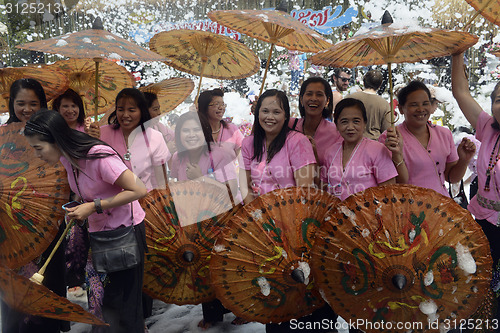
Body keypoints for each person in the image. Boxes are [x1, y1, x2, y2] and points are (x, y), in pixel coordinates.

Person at [24, 109, 148, 333]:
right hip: (100, 235)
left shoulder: (97, 156)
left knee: (124, 307)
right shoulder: (67, 158)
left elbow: (139, 189)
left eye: (38, 148)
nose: (37, 155)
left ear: (55, 138)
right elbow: (86, 191)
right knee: (104, 302)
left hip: (124, 234)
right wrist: (79, 205)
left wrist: (94, 206)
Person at [2, 78, 70, 333]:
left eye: (34, 103)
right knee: (13, 291)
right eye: (21, 103)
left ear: (43, 104)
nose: (27, 109)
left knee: (47, 282)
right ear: (12, 104)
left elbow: (64, 172)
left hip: (46, 219)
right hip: (11, 226)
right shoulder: (2, 136)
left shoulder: (52, 132)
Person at [169, 111, 239, 329]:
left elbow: (233, 189)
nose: (191, 135)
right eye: (185, 130)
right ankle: (212, 314)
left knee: (226, 266)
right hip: (195, 220)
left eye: (196, 130)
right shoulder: (176, 158)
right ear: (178, 135)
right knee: (202, 267)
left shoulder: (221, 154)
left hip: (224, 217)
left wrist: (202, 178)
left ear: (205, 131)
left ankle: (240, 309)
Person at [452, 51, 500, 325]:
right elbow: (460, 92)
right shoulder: (488, 128)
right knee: (479, 290)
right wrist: (458, 52)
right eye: (499, 100)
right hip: (483, 223)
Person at [379, 80, 475, 197]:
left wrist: (464, 160)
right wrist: (397, 155)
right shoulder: (390, 138)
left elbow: (451, 177)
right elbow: (393, 184)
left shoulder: (444, 134)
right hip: (407, 207)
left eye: (425, 103)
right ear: (400, 108)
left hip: (441, 206)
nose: (421, 109)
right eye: (414, 105)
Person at [240, 89, 316, 203]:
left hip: (291, 212)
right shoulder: (248, 143)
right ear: (258, 113)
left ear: (286, 116)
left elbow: (304, 191)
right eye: (265, 111)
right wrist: (255, 216)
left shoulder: (298, 142)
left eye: (276, 112)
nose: (270, 117)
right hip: (257, 214)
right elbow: (245, 185)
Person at [321, 98, 396, 200]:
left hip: (370, 214)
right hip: (336, 213)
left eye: (356, 121)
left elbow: (389, 191)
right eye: (344, 122)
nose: (350, 127)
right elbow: (324, 188)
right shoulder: (330, 152)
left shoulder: (378, 150)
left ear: (364, 123)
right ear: (336, 125)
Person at [53, 88, 89, 299]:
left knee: (79, 235)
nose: (70, 110)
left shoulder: (88, 130)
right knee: (66, 236)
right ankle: (73, 279)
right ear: (57, 109)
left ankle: (79, 278)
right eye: (64, 106)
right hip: (61, 190)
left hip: (84, 191)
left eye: (74, 105)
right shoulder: (53, 133)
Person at [100, 88, 170, 191]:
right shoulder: (102, 134)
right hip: (110, 202)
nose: (125, 115)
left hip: (144, 202)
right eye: (120, 109)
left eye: (131, 110)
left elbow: (161, 182)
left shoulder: (155, 137)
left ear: (142, 111)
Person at [290, 77, 342, 184]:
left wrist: (314, 154)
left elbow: (336, 176)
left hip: (321, 194)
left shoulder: (336, 133)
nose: (313, 98)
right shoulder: (289, 125)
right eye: (309, 94)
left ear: (327, 101)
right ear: (301, 99)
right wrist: (259, 111)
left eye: (319, 94)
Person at [197, 88, 244, 156]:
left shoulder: (232, 129)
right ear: (205, 107)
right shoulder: (195, 131)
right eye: (216, 104)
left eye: (223, 104)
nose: (221, 108)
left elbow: (242, 155)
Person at [347, 70, 391, 140]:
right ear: (380, 85)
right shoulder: (384, 103)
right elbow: (387, 130)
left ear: (364, 82)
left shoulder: (350, 98)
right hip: (374, 144)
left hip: (352, 140)